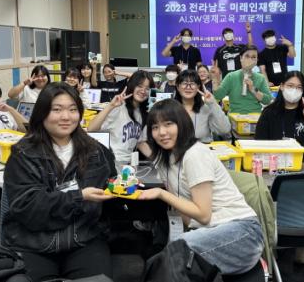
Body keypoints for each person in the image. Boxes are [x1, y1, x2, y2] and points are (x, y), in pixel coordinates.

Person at [3, 83, 117, 282]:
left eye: (73, 109)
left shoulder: (96, 151)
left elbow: (111, 193)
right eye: (57, 109)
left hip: (84, 238)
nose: (66, 117)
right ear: (42, 113)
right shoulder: (23, 154)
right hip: (34, 242)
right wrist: (79, 197)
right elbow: (29, 207)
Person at [138, 99, 264, 275]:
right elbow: (188, 218)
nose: (162, 132)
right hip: (209, 234)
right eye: (155, 127)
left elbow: (203, 215)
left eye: (168, 124)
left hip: (242, 234)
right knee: (169, 257)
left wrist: (161, 193)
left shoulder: (195, 154)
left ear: (182, 124)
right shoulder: (165, 161)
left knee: (175, 254)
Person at [255, 71, 304, 162]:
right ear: (282, 86)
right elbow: (259, 146)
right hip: (277, 164)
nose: (294, 90)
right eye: (290, 86)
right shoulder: (269, 113)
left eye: (299, 87)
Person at [86, 71, 154, 162]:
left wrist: (158, 160)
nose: (143, 91)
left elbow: (140, 142)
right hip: (111, 162)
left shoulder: (143, 114)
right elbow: (91, 129)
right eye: (140, 86)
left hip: (128, 164)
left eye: (147, 88)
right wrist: (111, 106)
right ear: (132, 86)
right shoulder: (118, 107)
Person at [173, 70, 231, 143]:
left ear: (198, 87)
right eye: (184, 83)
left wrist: (212, 103)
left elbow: (225, 130)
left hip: (203, 148)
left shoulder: (206, 109)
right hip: (178, 149)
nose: (188, 87)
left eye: (192, 84)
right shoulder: (170, 109)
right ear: (178, 87)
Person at [212, 46, 273, 114]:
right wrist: (215, 79)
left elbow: (268, 100)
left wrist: (253, 89)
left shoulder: (260, 78)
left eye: (253, 57)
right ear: (241, 58)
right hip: (235, 116)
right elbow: (218, 96)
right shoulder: (231, 76)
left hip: (255, 116)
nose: (250, 59)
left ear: (256, 61)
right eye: (247, 56)